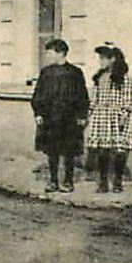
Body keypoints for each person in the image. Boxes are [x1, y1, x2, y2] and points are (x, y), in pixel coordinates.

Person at [31, 37, 89, 192]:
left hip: (69, 118)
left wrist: (82, 116)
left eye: (51, 53)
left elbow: (82, 96)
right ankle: (53, 181)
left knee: (69, 151)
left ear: (61, 53)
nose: (48, 56)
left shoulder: (75, 73)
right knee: (52, 151)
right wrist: (38, 113)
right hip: (50, 118)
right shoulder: (46, 72)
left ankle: (68, 182)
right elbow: (38, 94)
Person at [86, 43, 132, 193]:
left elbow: (129, 100)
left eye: (104, 58)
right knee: (102, 150)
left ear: (113, 59)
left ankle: (117, 181)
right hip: (102, 116)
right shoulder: (100, 78)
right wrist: (89, 114)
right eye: (100, 58)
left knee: (120, 150)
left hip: (118, 117)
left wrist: (123, 116)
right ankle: (103, 182)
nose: (101, 61)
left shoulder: (126, 79)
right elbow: (94, 99)